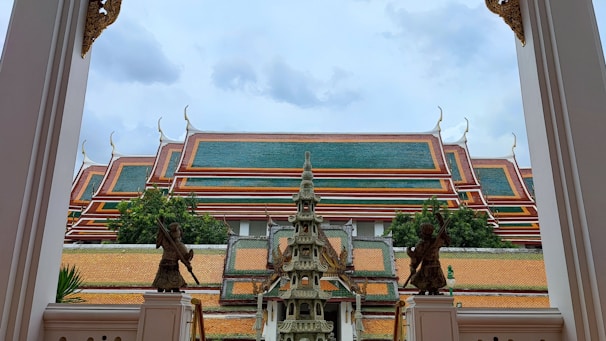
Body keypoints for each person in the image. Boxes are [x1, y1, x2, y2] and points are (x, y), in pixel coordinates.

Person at [406, 222, 450, 295]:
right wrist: (410, 254)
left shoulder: (434, 242)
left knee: (431, 279)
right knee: (423, 279)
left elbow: (447, 241)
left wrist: (412, 260)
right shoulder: (424, 243)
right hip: (429, 264)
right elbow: (416, 256)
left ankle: (433, 290)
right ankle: (425, 290)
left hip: (432, 264)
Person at [152, 222, 194, 293]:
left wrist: (188, 264)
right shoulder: (167, 242)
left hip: (171, 265)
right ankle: (165, 290)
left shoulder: (179, 245)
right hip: (168, 264)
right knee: (165, 281)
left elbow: (184, 258)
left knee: (173, 282)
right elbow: (159, 240)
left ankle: (172, 290)